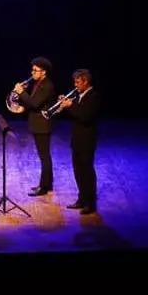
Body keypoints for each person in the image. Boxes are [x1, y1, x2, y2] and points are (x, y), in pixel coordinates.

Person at [58, 69, 101, 214]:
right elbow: (75, 114)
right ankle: (81, 199)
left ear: (85, 82)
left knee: (87, 172)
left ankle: (91, 203)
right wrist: (64, 104)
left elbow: (85, 116)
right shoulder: (79, 95)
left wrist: (71, 105)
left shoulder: (93, 96)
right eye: (75, 82)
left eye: (77, 82)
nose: (75, 85)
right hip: (76, 140)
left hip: (87, 142)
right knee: (78, 171)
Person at [12, 57, 56, 196]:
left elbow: (34, 104)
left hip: (43, 125)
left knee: (44, 156)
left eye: (35, 70)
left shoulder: (47, 85)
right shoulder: (38, 83)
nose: (32, 73)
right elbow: (31, 101)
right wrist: (22, 93)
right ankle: (47, 185)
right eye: (32, 70)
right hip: (38, 124)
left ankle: (44, 187)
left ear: (44, 72)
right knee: (44, 156)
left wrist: (21, 93)